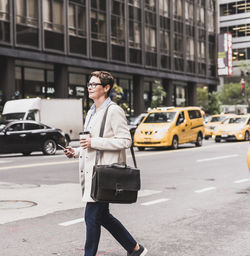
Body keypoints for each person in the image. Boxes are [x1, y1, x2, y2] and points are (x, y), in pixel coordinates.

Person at [64, 71, 148, 256]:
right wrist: (76, 151)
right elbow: (89, 143)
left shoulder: (114, 111)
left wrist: (95, 142)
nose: (90, 87)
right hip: (94, 174)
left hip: (105, 175)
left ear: (106, 88)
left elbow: (125, 141)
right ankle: (135, 249)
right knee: (102, 216)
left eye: (94, 84)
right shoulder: (91, 112)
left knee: (91, 217)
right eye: (89, 84)